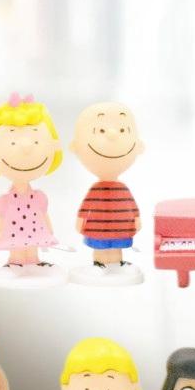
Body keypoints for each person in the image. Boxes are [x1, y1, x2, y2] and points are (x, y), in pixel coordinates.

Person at [0, 92, 66, 286]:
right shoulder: (4, 201)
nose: (26, 146)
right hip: (13, 233)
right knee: (17, 249)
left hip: (36, 231)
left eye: (36, 141)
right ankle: (16, 262)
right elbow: (0, 220)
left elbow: (44, 214)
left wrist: (49, 231)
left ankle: (33, 261)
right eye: (12, 142)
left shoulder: (39, 197)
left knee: (32, 249)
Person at [70, 102, 144, 284]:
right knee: (101, 246)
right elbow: (86, 207)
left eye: (123, 130)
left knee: (117, 245)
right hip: (98, 228)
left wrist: (137, 219)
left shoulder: (123, 189)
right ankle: (99, 263)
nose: (112, 135)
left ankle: (116, 263)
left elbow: (132, 207)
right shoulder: (96, 190)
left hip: (120, 228)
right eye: (101, 131)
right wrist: (80, 221)